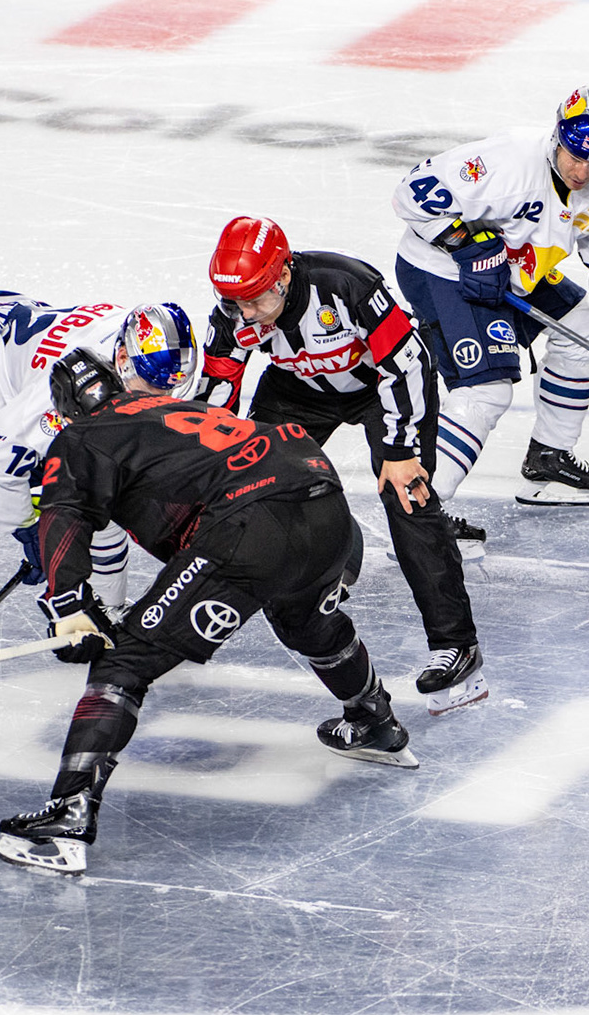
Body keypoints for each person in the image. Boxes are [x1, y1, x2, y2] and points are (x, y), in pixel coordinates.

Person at [0, 345, 416, 877]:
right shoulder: (173, 408)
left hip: (252, 522)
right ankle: (375, 721)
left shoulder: (81, 435)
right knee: (306, 619)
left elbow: (63, 517)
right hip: (323, 504)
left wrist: (69, 604)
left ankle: (69, 814)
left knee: (124, 662)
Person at [195, 215, 486, 715]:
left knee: (408, 496)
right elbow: (215, 397)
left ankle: (457, 643)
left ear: (284, 274)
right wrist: (196, 461)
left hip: (379, 385)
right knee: (263, 488)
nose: (249, 314)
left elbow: (408, 363)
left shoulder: (347, 286)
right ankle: (337, 559)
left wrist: (399, 452)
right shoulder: (235, 313)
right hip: (298, 391)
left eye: (259, 298)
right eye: (237, 302)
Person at [0, 294, 194, 732]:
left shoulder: (151, 365)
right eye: (150, 390)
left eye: (171, 390)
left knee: (104, 496)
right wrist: (30, 532)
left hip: (26, 356)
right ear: (121, 360)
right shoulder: (56, 395)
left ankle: (104, 612)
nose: (161, 399)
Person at [390, 86, 589, 511]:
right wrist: (467, 245)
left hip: (512, 276)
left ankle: (548, 457)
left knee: (584, 321)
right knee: (487, 391)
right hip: (439, 269)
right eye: (575, 155)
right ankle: (420, 513)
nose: (583, 171)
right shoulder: (507, 161)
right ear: (557, 136)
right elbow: (411, 193)